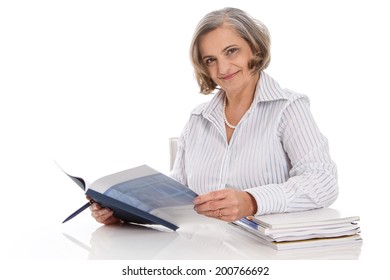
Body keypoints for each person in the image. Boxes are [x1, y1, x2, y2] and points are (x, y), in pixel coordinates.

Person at [90, 7, 338, 225]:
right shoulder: (198, 119)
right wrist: (123, 213)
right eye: (211, 60)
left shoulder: (289, 108)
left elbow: (323, 182)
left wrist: (252, 201)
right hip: (202, 252)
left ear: (255, 48)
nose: (222, 68)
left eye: (231, 51)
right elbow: (179, 193)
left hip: (265, 256)